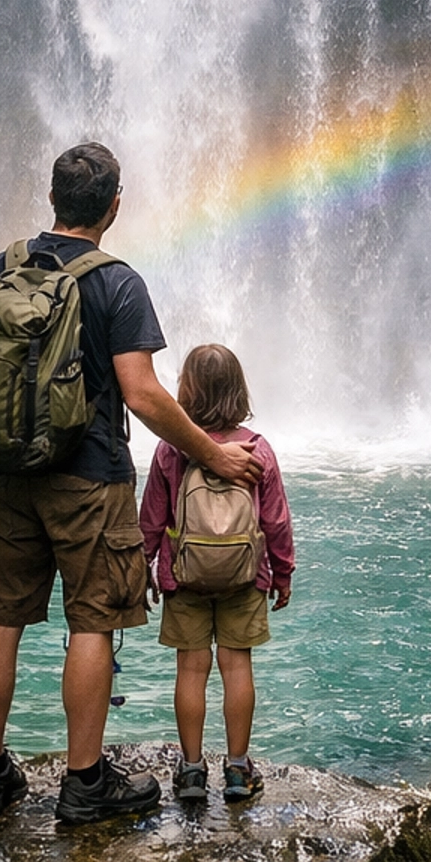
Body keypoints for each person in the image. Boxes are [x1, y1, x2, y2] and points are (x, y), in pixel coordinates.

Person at [0, 142, 264, 825]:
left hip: (9, 472)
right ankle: (84, 781)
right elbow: (142, 394)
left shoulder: (0, 268)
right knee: (92, 619)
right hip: (89, 480)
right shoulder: (116, 281)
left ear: (52, 199)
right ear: (114, 206)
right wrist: (212, 457)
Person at [139, 341, 294, 804]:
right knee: (236, 666)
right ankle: (239, 770)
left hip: (185, 577)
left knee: (190, 668)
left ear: (185, 391)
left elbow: (151, 517)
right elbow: (276, 521)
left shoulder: (172, 449)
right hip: (244, 578)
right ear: (238, 389)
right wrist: (282, 574)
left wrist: (144, 567)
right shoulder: (256, 449)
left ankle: (190, 771)